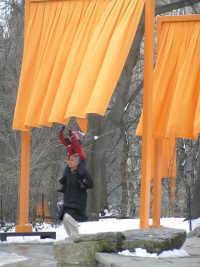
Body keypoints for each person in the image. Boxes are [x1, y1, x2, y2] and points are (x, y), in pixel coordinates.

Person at [58, 153, 93, 238]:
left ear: (77, 162)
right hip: (68, 202)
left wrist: (83, 183)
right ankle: (72, 237)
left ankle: (76, 237)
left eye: (72, 160)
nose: (69, 162)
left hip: (78, 203)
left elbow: (90, 184)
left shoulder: (82, 173)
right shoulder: (68, 172)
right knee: (64, 219)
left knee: (67, 217)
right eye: (68, 160)